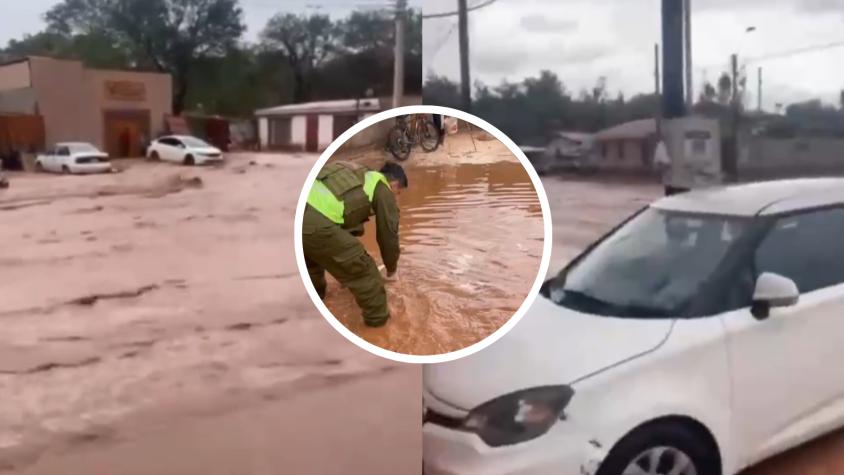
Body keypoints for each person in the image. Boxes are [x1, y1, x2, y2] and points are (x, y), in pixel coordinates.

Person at [302, 161, 408, 327]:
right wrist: (391, 269)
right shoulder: (382, 187)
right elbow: (388, 234)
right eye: (398, 193)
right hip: (314, 223)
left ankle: (313, 306)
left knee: (312, 265)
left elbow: (343, 221)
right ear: (394, 184)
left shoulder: (357, 175)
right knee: (366, 274)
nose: (396, 197)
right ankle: (379, 330)